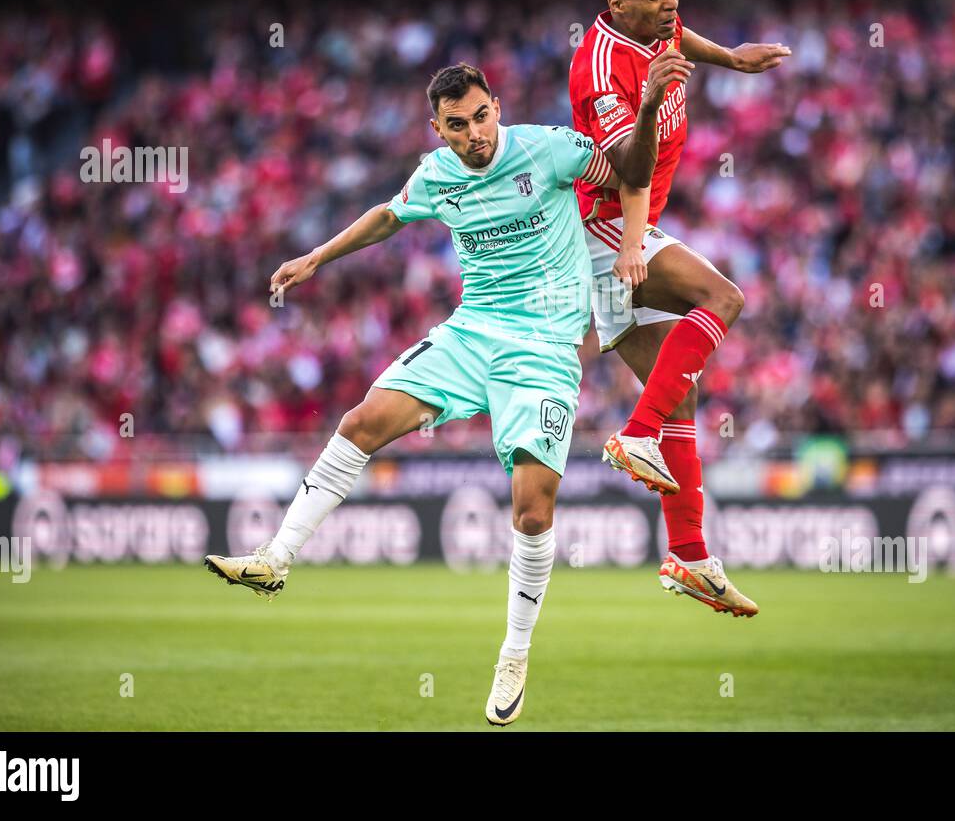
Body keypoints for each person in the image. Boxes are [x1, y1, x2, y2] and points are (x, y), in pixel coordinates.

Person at [205, 63, 636, 726]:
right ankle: (275, 559)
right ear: (438, 129)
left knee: (530, 510)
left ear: (498, 105)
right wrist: (317, 257)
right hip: (472, 333)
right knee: (361, 419)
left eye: (481, 116)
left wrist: (633, 238)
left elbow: (627, 172)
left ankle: (515, 653)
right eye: (456, 126)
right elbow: (388, 216)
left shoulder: (547, 148)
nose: (473, 135)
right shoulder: (438, 174)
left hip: (545, 344)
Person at [569, 0, 790, 618]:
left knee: (682, 397)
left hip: (625, 229)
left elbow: (677, 36)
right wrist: (652, 101)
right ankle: (634, 434)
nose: (670, 3)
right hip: (604, 225)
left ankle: (690, 557)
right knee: (723, 297)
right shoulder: (601, 70)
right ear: (617, 5)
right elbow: (626, 168)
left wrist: (732, 58)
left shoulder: (654, 24)